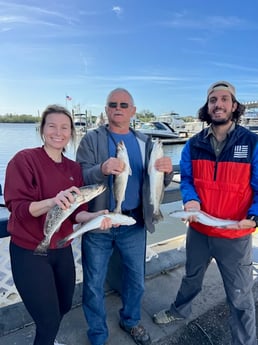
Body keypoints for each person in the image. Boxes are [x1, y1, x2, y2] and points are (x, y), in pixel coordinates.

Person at [153, 81, 258, 345]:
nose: (218, 104)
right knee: (191, 278)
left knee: (240, 296)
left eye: (224, 99)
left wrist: (254, 216)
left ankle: (244, 341)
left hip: (235, 234)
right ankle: (179, 311)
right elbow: (186, 179)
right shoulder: (193, 144)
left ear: (234, 106)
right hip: (199, 231)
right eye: (213, 100)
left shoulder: (252, 142)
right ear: (207, 106)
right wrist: (190, 201)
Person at [4, 104, 112, 345]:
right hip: (29, 251)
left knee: (63, 306)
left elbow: (77, 214)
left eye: (65, 127)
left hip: (62, 248)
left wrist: (96, 218)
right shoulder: (24, 160)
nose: (58, 132)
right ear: (42, 129)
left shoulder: (74, 168)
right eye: (51, 125)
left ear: (72, 132)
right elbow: (18, 209)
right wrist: (53, 201)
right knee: (48, 321)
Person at [76, 88, 173, 345]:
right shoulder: (91, 140)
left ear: (133, 111)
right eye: (112, 104)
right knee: (93, 284)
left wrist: (167, 171)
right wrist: (102, 169)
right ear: (106, 109)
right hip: (99, 223)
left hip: (134, 223)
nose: (117, 108)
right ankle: (97, 333)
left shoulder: (146, 142)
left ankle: (130, 320)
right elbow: (79, 176)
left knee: (136, 280)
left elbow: (155, 180)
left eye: (123, 104)